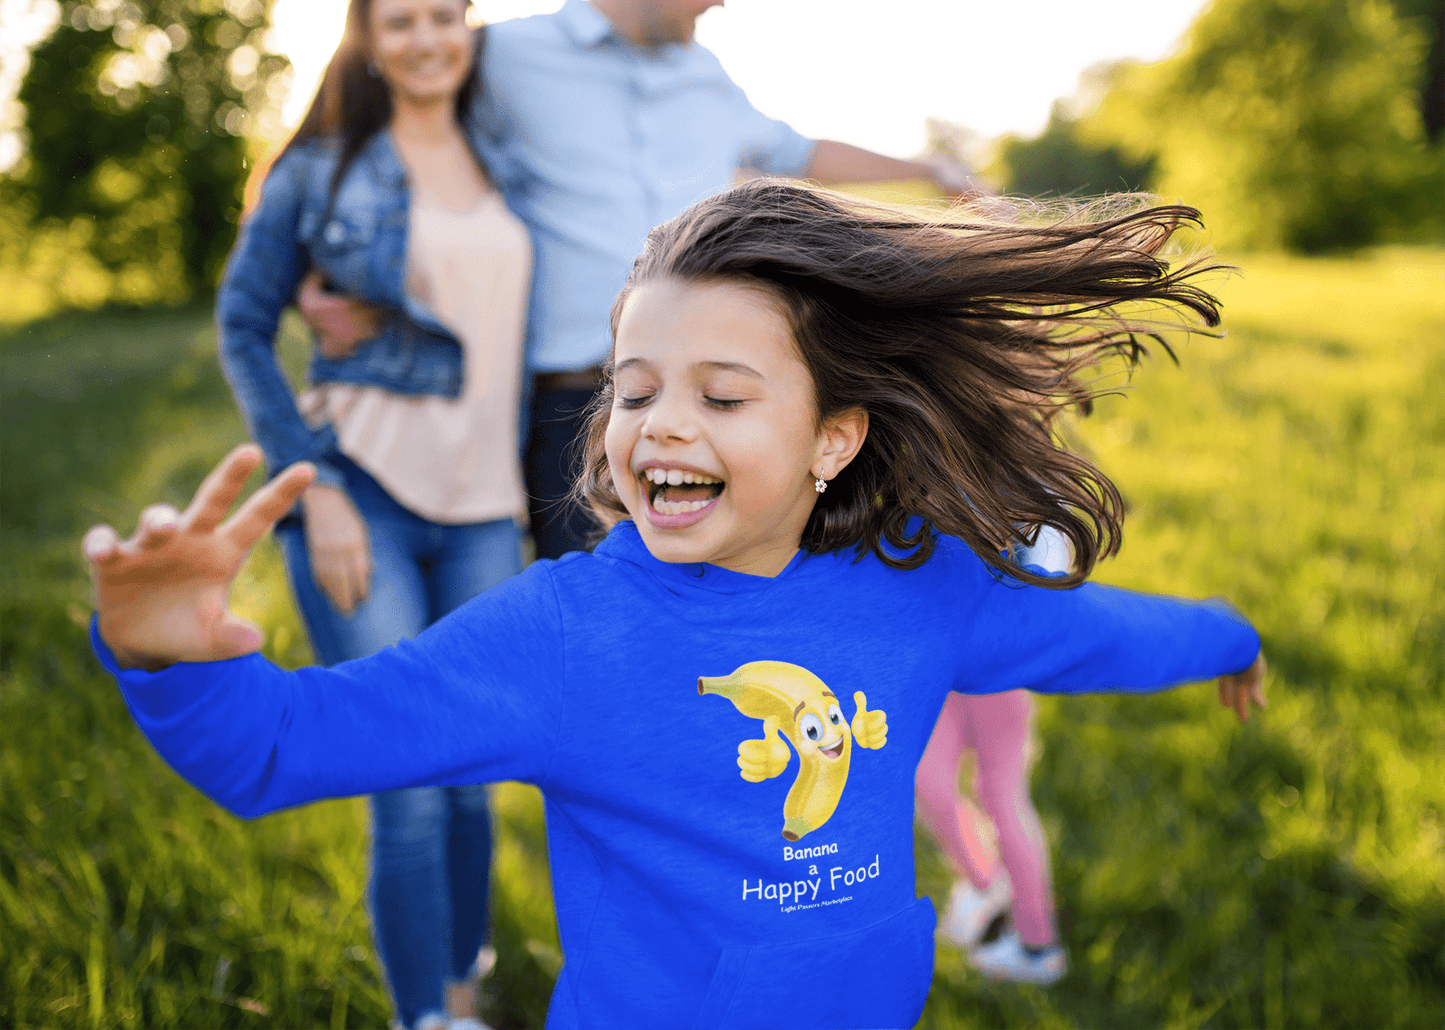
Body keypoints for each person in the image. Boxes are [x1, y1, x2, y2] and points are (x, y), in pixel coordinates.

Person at [86, 183, 1267, 1029]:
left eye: (722, 394)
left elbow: (1090, 633)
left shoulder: (921, 588)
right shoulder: (558, 634)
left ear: (833, 438)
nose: (660, 424)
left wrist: (1226, 634)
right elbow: (287, 747)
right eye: (633, 388)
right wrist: (170, 657)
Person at [301, 0, 991, 560]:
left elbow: (798, 150)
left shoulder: (707, 78)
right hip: (572, 409)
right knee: (603, 630)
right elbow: (371, 125)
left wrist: (928, 173)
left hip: (713, 395)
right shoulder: (505, 54)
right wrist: (314, 273)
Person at [215, 0, 530, 1030]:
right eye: (399, 21)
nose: (426, 38)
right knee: (404, 783)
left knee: (470, 775)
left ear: (467, 24)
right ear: (366, 37)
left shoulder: (506, 158)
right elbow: (243, 325)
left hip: (489, 510)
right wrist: (314, 488)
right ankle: (421, 1020)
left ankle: (459, 990)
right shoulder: (322, 171)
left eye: (444, 15)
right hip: (365, 500)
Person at [916, 530, 1073, 986]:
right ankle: (985, 882)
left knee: (1001, 797)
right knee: (930, 785)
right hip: (942, 670)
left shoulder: (1015, 488)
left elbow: (1049, 561)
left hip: (997, 670)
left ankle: (1039, 945)